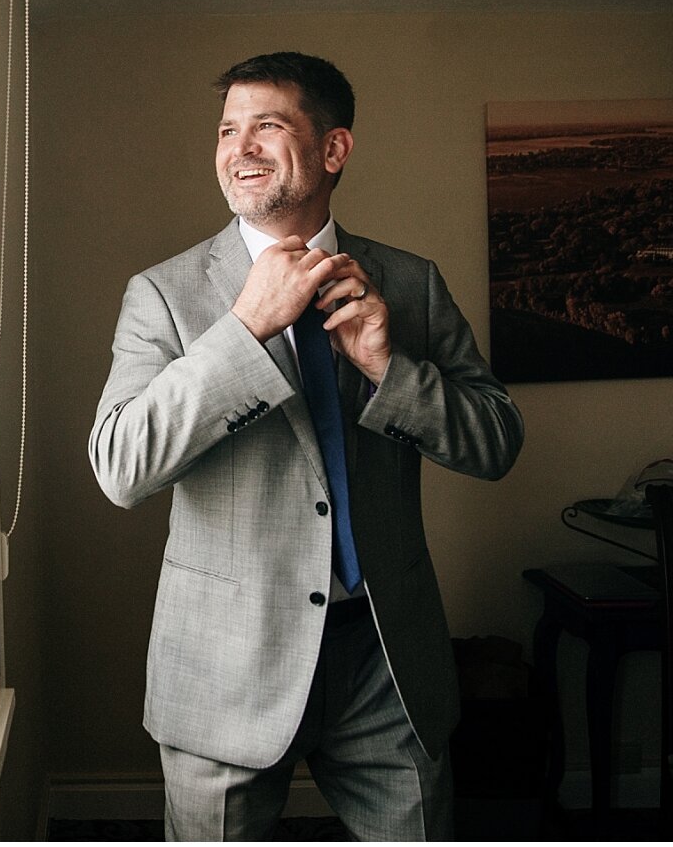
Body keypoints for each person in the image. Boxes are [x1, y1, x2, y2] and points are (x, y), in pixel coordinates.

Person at [88, 52, 524, 840]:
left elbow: (496, 441)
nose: (238, 147)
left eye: (267, 125)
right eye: (227, 128)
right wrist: (243, 331)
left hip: (385, 662)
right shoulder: (165, 293)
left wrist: (391, 369)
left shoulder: (410, 284)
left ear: (334, 150)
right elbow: (121, 464)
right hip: (226, 664)